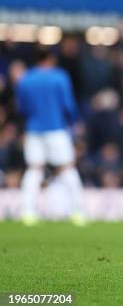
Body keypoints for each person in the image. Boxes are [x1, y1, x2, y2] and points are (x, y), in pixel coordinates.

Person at [16, 49, 86, 226]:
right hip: (56, 128)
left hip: (33, 129)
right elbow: (68, 105)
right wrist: (74, 122)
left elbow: (21, 109)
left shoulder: (25, 79)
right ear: (50, 59)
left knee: (34, 169)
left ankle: (28, 213)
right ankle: (78, 212)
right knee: (67, 168)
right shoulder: (59, 77)